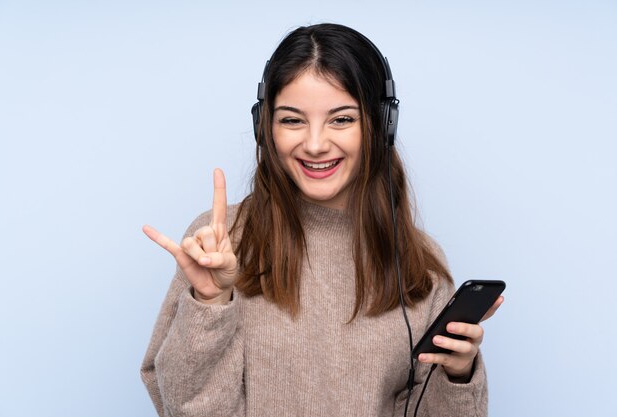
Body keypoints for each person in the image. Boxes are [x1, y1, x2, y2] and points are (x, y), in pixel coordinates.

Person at [140, 23, 503, 417]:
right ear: (266, 128)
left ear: (381, 126)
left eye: (342, 120)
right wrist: (210, 303)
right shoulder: (219, 241)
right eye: (292, 120)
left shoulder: (418, 262)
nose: (314, 144)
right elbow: (179, 404)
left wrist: (458, 374)